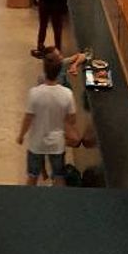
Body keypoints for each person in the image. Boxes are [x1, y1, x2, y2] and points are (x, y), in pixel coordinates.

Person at [17, 54, 79, 186]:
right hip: (57, 144)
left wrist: (21, 135)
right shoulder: (67, 94)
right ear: (59, 72)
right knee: (59, 176)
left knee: (32, 176)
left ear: (44, 70)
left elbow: (28, 117)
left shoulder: (34, 93)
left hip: (36, 143)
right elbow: (72, 119)